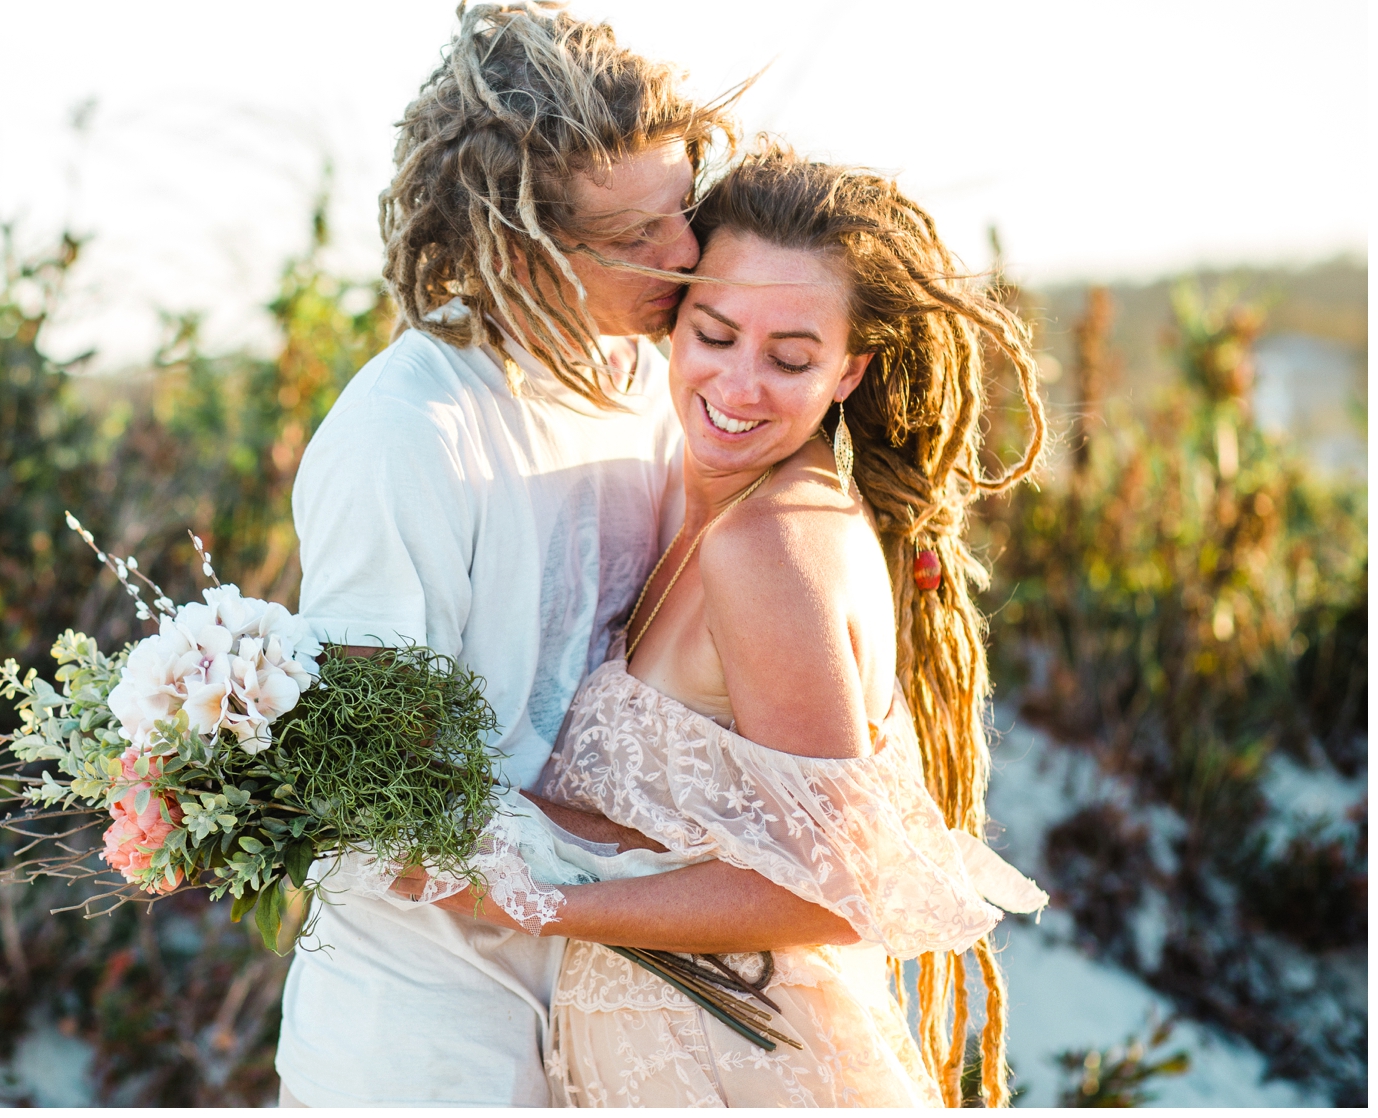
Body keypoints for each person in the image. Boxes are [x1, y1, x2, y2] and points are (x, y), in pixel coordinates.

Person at [274, 1, 857, 1109]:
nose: (684, 257)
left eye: (679, 211)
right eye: (637, 239)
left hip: (615, 1014)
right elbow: (381, 808)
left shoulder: (649, 379)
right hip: (422, 1034)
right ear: (513, 243)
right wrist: (649, 847)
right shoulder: (404, 434)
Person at [422, 140, 1049, 1106]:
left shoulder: (770, 545)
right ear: (672, 320)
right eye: (714, 335)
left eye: (791, 358)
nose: (740, 386)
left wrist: (545, 907)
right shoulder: (686, 494)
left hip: (745, 1067)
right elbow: (692, 828)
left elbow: (838, 887)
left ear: (849, 371)